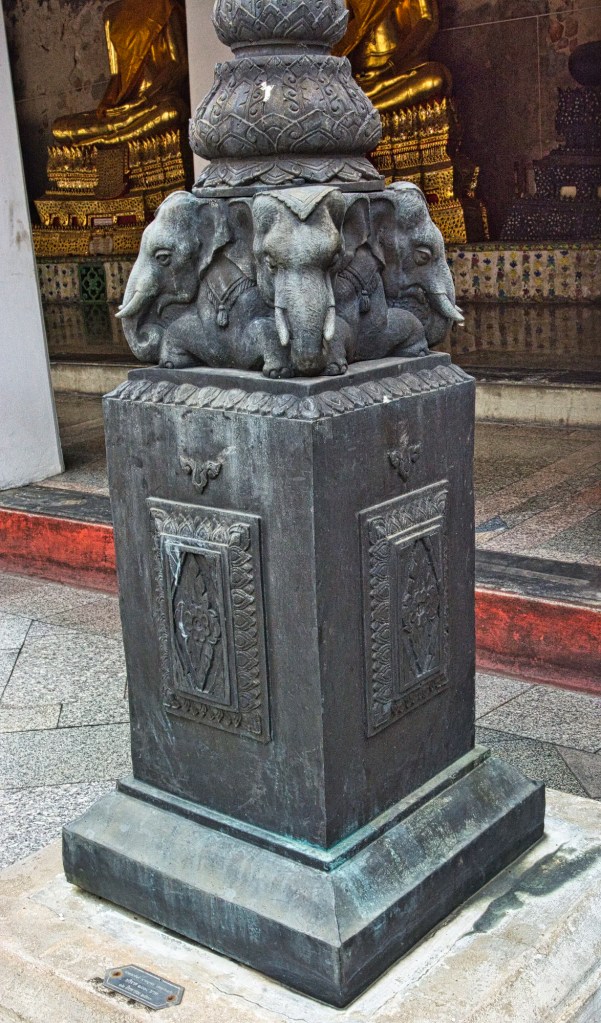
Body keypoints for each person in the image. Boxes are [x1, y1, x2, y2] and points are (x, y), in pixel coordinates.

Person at [52, 0, 188, 147]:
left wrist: (144, 99)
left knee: (171, 111)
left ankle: (104, 140)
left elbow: (180, 64)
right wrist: (107, 103)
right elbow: (116, 75)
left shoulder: (164, 4)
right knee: (59, 128)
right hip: (123, 107)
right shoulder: (111, 13)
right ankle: (119, 133)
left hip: (154, 100)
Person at [334, 0, 451, 112]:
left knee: (435, 78)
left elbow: (427, 20)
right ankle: (361, 106)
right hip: (360, 80)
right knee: (333, 94)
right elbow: (339, 36)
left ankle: (360, 109)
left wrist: (390, 66)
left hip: (399, 71)